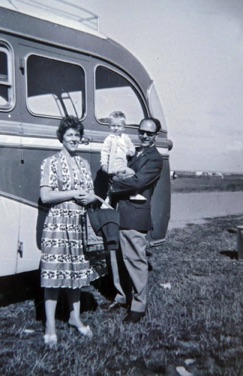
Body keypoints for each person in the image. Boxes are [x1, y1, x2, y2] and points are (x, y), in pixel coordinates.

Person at [40, 115, 105, 347]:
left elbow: (89, 194)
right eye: (70, 135)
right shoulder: (51, 163)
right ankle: (49, 325)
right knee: (54, 273)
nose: (74, 139)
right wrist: (72, 194)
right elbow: (46, 196)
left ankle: (74, 318)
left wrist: (90, 197)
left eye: (77, 135)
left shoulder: (84, 164)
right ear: (62, 137)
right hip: (58, 223)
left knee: (77, 274)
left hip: (78, 223)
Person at [108, 117, 163, 323]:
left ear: (156, 136)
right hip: (121, 212)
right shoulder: (133, 153)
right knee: (117, 260)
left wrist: (115, 181)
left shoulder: (155, 159)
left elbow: (138, 181)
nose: (145, 136)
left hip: (135, 215)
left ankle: (138, 307)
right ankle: (122, 297)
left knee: (135, 261)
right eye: (142, 132)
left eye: (149, 133)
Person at [101, 111, 146, 202]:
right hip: (113, 165)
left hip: (123, 164)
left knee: (119, 179)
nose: (116, 128)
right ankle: (133, 193)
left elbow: (131, 146)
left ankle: (111, 194)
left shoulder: (125, 138)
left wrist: (131, 151)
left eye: (119, 126)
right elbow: (104, 152)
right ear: (109, 126)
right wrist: (104, 163)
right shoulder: (109, 139)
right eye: (113, 125)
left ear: (123, 128)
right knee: (132, 174)